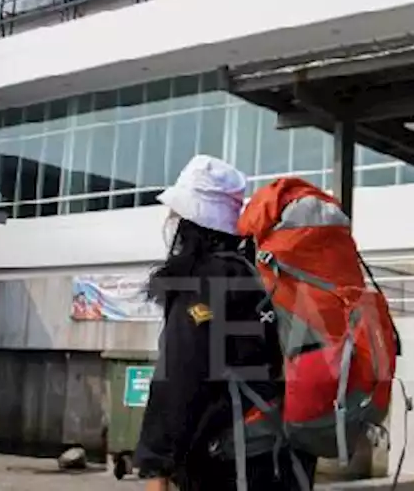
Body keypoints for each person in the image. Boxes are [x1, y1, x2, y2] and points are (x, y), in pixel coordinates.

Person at [134, 155, 316, 491]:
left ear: (190, 221)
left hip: (228, 466)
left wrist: (155, 465)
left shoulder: (204, 282)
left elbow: (179, 376)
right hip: (283, 457)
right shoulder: (262, 276)